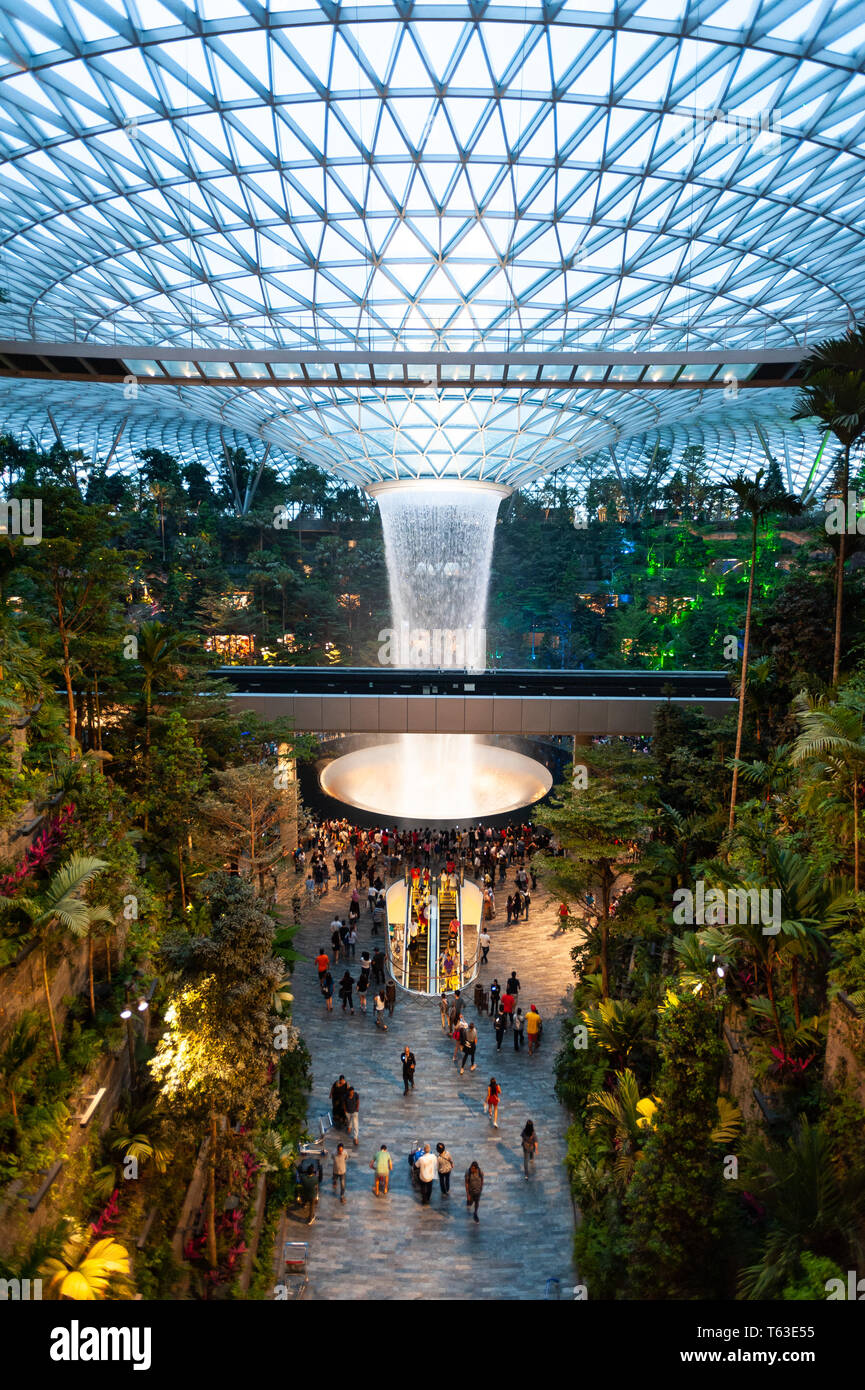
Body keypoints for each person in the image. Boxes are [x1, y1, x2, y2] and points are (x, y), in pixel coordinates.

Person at [299, 1160, 321, 1225]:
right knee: (312, 1207)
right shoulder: (315, 1179)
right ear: (313, 1172)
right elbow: (316, 1187)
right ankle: (310, 1219)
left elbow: (301, 1181)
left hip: (304, 1194)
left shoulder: (303, 1178)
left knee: (305, 1198)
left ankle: (304, 1204)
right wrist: (317, 1195)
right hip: (312, 1196)